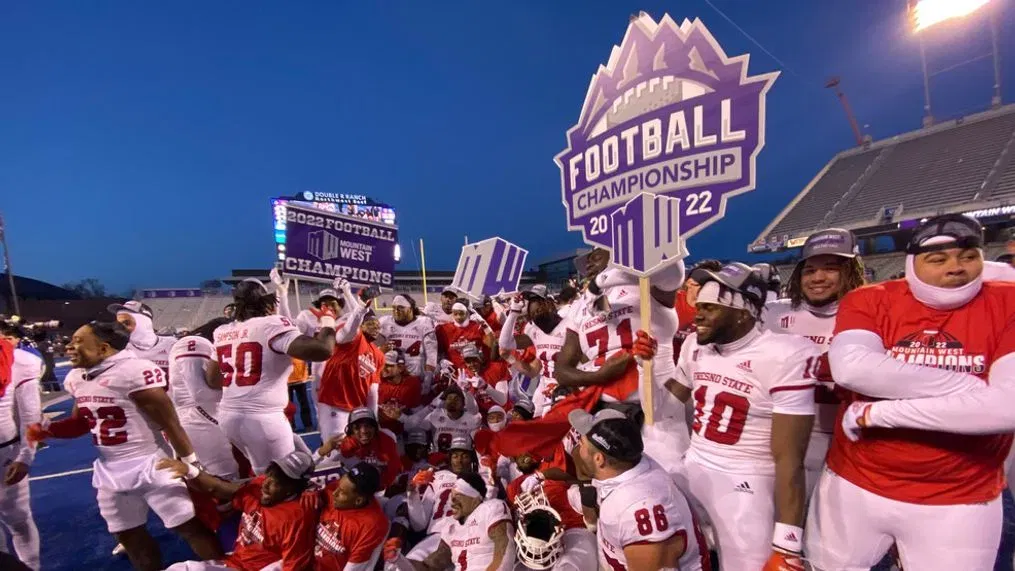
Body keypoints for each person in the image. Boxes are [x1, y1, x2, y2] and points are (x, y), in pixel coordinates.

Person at [805, 214, 1015, 571]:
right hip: (857, 481)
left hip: (960, 496)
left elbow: (1005, 409)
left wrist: (877, 414)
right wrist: (967, 387)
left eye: (968, 256)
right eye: (938, 259)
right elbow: (854, 369)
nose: (955, 268)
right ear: (912, 263)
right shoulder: (872, 300)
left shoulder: (1006, 301)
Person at [27, 321, 222, 571]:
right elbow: (80, 423)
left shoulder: (134, 371)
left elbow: (171, 423)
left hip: (152, 463)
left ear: (103, 347)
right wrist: (48, 430)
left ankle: (223, 567)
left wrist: (192, 466)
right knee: (128, 535)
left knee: (188, 527)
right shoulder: (78, 377)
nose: (70, 346)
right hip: (110, 470)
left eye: (78, 341)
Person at [664, 263, 817, 570]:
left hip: (745, 483)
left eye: (711, 308)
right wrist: (648, 366)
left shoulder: (783, 354)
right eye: (700, 306)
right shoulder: (696, 345)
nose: (698, 315)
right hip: (693, 465)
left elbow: (790, 458)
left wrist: (787, 545)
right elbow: (666, 407)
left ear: (743, 311)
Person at [760, 228, 866, 493]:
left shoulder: (872, 315)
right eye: (809, 270)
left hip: (844, 443)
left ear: (851, 270)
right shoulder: (772, 314)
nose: (818, 278)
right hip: (776, 436)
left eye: (831, 268)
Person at [213, 278, 338, 474]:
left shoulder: (222, 331)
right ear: (266, 303)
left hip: (228, 417)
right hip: (262, 417)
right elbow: (323, 350)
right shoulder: (271, 323)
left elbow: (213, 378)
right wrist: (328, 320)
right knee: (281, 478)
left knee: (289, 462)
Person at [569, 409, 707, 571]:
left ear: (599, 459)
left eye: (582, 443)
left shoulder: (641, 512)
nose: (578, 448)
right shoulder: (627, 465)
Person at [159, 450, 318, 571]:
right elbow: (218, 488)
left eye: (279, 482)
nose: (266, 484)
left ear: (293, 489)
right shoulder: (260, 486)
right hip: (233, 563)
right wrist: (189, 470)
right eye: (271, 475)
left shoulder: (296, 518)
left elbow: (293, 566)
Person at [385, 471, 515, 571]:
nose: (452, 502)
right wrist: (398, 558)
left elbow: (504, 549)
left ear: (475, 498)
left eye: (458, 497)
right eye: (451, 497)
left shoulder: (492, 508)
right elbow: (428, 567)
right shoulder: (451, 529)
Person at [168, 317, 239, 480]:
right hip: (199, 416)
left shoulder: (201, 344)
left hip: (205, 414)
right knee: (223, 471)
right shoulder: (194, 343)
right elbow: (200, 393)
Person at [317, 287, 384, 441]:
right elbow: (350, 328)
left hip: (357, 409)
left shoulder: (378, 355)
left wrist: (373, 419)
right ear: (362, 326)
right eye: (370, 324)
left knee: (356, 450)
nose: (375, 327)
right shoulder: (353, 337)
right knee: (334, 450)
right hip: (334, 404)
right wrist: (360, 306)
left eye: (377, 324)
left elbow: (372, 391)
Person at [0, 322, 41, 570]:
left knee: (18, 519)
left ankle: (31, 567)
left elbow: (30, 415)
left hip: (5, 451)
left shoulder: (20, 360)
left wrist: (26, 455)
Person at [499, 285, 569, 418]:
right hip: (545, 389)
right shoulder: (533, 329)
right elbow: (532, 371)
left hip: (566, 389)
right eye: (529, 302)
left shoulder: (569, 325)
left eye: (534, 301)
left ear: (548, 303)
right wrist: (513, 312)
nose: (531, 306)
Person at [312, 462, 390, 570]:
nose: (334, 493)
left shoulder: (370, 526)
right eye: (338, 485)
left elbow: (353, 568)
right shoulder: (336, 489)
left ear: (358, 501)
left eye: (342, 492)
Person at [317, 407, 401, 491]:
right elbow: (315, 469)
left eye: (368, 426)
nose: (364, 431)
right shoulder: (341, 445)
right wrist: (320, 452)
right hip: (354, 493)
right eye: (357, 427)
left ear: (375, 428)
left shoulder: (386, 440)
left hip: (380, 489)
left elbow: (393, 470)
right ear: (351, 431)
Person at [380, 295, 438, 384]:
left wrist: (428, 378)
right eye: (394, 308)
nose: (396, 311)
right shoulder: (385, 322)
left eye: (400, 308)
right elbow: (372, 350)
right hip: (391, 376)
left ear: (410, 309)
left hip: (416, 376)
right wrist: (380, 350)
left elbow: (431, 354)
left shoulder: (424, 323)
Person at [108, 300, 176, 375]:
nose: (120, 328)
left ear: (144, 323)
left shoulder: (173, 345)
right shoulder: (118, 351)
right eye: (119, 324)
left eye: (126, 323)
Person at [436, 299, 493, 369]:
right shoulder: (444, 329)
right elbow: (436, 351)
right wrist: (440, 360)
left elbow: (491, 344)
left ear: (467, 313)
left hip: (476, 370)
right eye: (455, 314)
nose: (458, 317)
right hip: (454, 372)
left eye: (461, 313)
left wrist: (485, 326)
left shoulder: (477, 327)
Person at [377, 349, 423, 435]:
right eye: (383, 364)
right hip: (377, 431)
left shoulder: (412, 383)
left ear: (400, 368)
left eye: (388, 365)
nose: (383, 368)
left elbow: (417, 415)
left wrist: (401, 417)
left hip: (402, 433)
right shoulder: (376, 380)